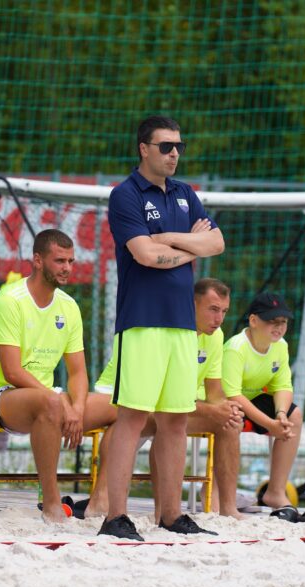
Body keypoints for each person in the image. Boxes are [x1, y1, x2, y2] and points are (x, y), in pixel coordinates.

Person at [101, 115, 225, 540]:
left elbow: (217, 243)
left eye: (179, 147)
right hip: (142, 321)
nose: (174, 154)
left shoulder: (187, 194)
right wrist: (188, 245)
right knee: (133, 417)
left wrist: (167, 240)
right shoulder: (125, 195)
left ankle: (170, 515)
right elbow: (143, 256)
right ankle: (115, 517)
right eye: (166, 146)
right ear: (143, 148)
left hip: (181, 326)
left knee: (176, 420)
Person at [0, 229, 115, 523]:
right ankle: (51, 503)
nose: (67, 268)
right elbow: (12, 371)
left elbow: (78, 372)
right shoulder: (8, 301)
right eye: (59, 260)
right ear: (37, 260)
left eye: (71, 261)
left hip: (46, 397)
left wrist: (76, 408)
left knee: (123, 407)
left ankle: (100, 499)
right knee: (50, 403)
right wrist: (59, 401)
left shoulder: (69, 306)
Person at [82, 278, 243, 519]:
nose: (219, 319)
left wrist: (226, 409)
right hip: (119, 396)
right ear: (191, 304)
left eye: (224, 311)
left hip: (168, 405)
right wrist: (211, 410)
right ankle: (101, 500)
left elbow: (214, 394)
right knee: (135, 417)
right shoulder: (165, 330)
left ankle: (227, 509)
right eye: (212, 309)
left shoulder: (216, 336)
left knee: (229, 422)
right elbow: (151, 401)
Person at [222, 292, 305, 523]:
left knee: (294, 415)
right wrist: (270, 425)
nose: (278, 327)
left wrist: (279, 416)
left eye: (283, 322)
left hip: (254, 397)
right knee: (232, 416)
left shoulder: (280, 346)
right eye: (272, 321)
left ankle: (275, 492)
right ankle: (221, 497)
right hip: (227, 400)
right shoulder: (236, 347)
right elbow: (233, 394)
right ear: (254, 321)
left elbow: (283, 385)